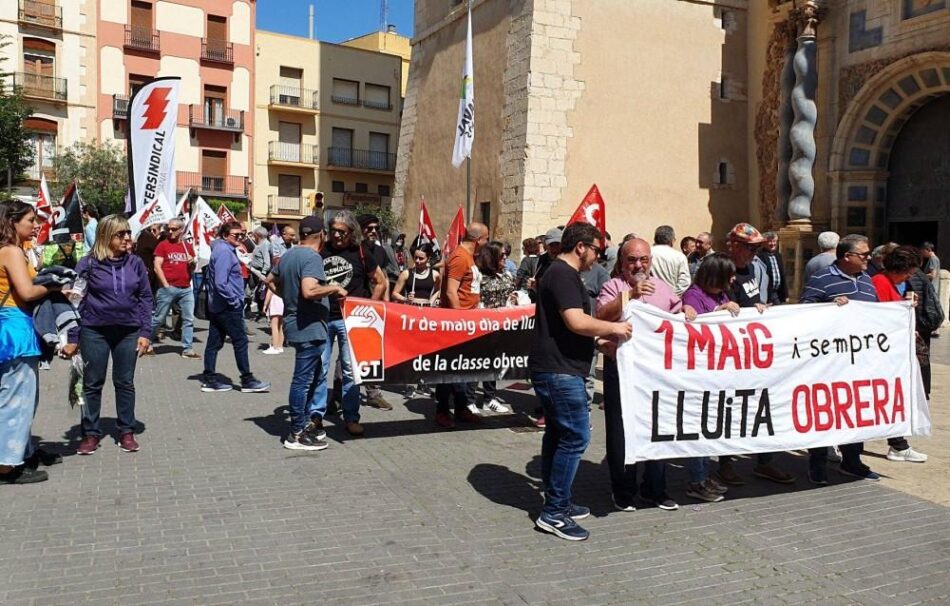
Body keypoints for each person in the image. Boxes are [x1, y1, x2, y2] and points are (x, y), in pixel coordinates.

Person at [532, 223, 631, 541]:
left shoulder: (559, 273)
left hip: (559, 366)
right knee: (575, 438)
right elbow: (575, 321)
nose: (598, 258)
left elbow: (565, 328)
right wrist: (613, 329)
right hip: (560, 372)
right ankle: (554, 513)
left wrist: (598, 343)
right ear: (581, 247)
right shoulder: (562, 274)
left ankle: (556, 501)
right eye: (597, 251)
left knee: (558, 436)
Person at [596, 238, 696, 512]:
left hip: (657, 373)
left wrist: (687, 310)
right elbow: (601, 316)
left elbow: (677, 317)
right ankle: (623, 491)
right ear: (622, 263)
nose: (638, 265)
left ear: (650, 261)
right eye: (631, 260)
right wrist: (630, 296)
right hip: (623, 370)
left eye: (643, 259)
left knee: (659, 429)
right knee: (621, 431)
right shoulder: (613, 286)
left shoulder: (664, 288)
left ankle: (655, 490)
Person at [66, 215, 153, 456]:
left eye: (128, 233)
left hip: (128, 331)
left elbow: (146, 298)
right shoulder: (88, 264)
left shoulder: (135, 263)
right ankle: (91, 433)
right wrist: (73, 337)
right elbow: (76, 301)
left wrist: (146, 332)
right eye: (121, 234)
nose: (128, 238)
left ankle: (126, 430)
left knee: (125, 382)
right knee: (92, 383)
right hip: (94, 331)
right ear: (106, 236)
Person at [799, 234, 881, 483]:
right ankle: (818, 462)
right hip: (828, 362)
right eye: (864, 255)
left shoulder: (867, 280)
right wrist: (830, 307)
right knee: (823, 410)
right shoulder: (822, 279)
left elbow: (876, 312)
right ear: (847, 257)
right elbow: (804, 309)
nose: (868, 259)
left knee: (856, 410)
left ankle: (852, 460)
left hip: (859, 361)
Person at [717, 222, 792, 485]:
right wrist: (725, 307)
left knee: (762, 407)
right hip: (729, 353)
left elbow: (751, 298)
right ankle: (724, 464)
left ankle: (764, 461)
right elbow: (709, 301)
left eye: (756, 248)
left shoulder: (751, 268)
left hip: (753, 350)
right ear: (734, 245)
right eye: (750, 248)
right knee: (729, 410)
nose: (754, 252)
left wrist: (758, 306)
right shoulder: (721, 268)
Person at [268, 215, 346, 451]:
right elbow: (310, 290)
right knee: (302, 381)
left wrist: (287, 298)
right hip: (308, 326)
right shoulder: (311, 257)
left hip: (298, 323)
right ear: (321, 235)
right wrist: (334, 287)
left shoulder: (289, 254)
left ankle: (305, 426)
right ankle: (297, 434)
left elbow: (270, 280)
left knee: (309, 379)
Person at [0, 201, 63, 483]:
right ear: (12, 222)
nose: (36, 224)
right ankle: (7, 466)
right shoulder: (11, 251)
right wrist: (55, 284)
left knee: (21, 397)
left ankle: (22, 452)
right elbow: (26, 292)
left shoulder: (16, 250)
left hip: (11, 326)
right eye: (30, 220)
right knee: (17, 400)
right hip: (16, 329)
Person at [319, 211, 388, 436]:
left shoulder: (360, 251)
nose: (337, 236)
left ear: (351, 232)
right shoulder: (321, 249)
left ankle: (351, 418)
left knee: (351, 371)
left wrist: (368, 308)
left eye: (342, 232)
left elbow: (380, 281)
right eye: (333, 231)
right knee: (319, 368)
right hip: (323, 318)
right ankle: (315, 416)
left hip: (350, 320)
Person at [680, 253, 741, 502]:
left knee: (710, 430)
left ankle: (704, 475)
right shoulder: (693, 296)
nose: (734, 279)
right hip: (699, 375)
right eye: (729, 274)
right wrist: (719, 310)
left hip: (717, 373)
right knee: (699, 429)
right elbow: (696, 323)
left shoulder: (719, 294)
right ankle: (696, 480)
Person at [869, 245, 928, 463]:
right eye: (910, 270)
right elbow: (882, 317)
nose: (912, 275)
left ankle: (898, 444)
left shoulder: (889, 284)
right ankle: (897, 445)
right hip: (883, 356)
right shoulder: (881, 283)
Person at [199, 221, 270, 394]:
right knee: (240, 341)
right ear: (225, 235)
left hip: (219, 305)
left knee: (214, 342)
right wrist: (234, 300)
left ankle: (209, 378)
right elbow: (221, 283)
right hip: (227, 306)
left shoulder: (223, 249)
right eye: (236, 235)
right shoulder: (224, 251)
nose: (240, 237)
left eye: (242, 234)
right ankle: (247, 379)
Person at [435, 222, 490, 429]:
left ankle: (461, 407)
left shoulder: (469, 257)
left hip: (468, 323)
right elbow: (451, 291)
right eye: (486, 239)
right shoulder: (459, 257)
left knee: (462, 369)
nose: (486, 243)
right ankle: (442, 410)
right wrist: (460, 321)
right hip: (456, 324)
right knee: (448, 369)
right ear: (478, 240)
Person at [356, 214, 396, 410]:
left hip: (375, 308)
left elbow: (385, 276)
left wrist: (386, 301)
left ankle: (373, 393)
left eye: (375, 228)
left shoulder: (380, 251)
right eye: (368, 227)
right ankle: (339, 395)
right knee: (349, 353)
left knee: (373, 351)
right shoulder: (355, 249)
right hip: (356, 307)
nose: (373, 231)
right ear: (360, 229)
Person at [145, 218, 199, 358]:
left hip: (186, 288)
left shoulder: (187, 246)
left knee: (188, 319)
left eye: (174, 229)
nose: (170, 231)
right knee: (158, 318)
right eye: (168, 228)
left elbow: (192, 268)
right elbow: (157, 266)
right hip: (168, 288)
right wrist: (166, 285)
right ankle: (146, 342)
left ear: (181, 230)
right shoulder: (163, 245)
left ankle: (187, 349)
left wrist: (192, 262)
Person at [476, 241, 516, 414]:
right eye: (501, 255)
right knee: (477, 363)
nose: (505, 258)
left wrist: (514, 299)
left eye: (506, 255)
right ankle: (469, 400)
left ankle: (489, 398)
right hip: (482, 325)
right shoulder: (480, 276)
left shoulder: (507, 276)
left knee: (494, 363)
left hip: (501, 327)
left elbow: (510, 295)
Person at [650, 225, 691, 296]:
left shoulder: (647, 253)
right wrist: (672, 294)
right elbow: (685, 282)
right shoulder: (679, 256)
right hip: (671, 299)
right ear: (671, 240)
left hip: (651, 295)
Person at [758, 231, 789, 304]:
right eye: (770, 242)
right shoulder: (760, 256)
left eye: (774, 241)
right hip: (766, 293)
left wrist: (786, 294)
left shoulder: (778, 255)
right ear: (764, 243)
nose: (773, 244)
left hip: (777, 293)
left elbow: (782, 276)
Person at [262, 287, 284, 355]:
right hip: (284, 300)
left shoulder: (273, 279)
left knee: (274, 326)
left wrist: (265, 304)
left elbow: (270, 291)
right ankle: (280, 346)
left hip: (275, 300)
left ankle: (275, 346)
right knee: (281, 326)